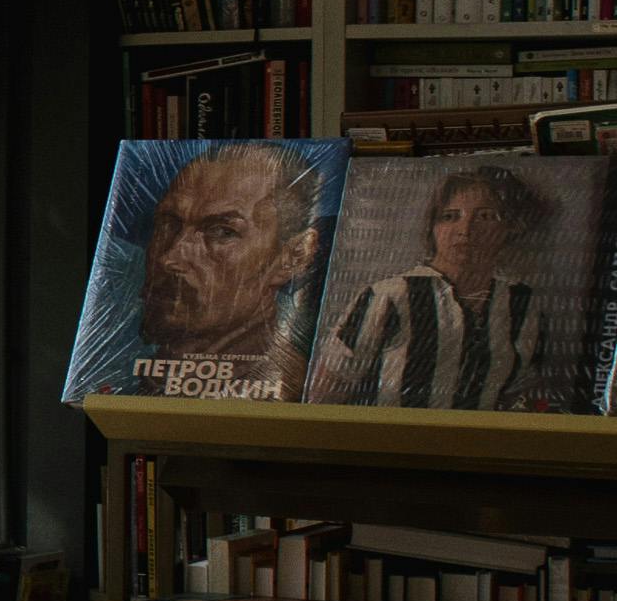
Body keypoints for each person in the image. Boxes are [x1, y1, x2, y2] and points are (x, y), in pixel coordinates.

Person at [307, 160, 553, 410]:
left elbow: (521, 394)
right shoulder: (389, 295)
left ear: (508, 228)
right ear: (433, 227)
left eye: (485, 216)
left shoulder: (521, 302)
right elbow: (326, 393)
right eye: (450, 217)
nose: (465, 230)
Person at [133, 140, 330, 396]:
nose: (170, 259)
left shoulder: (285, 388)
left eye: (222, 232)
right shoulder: (136, 373)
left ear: (295, 255)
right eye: (169, 224)